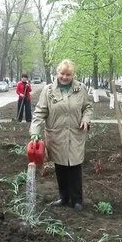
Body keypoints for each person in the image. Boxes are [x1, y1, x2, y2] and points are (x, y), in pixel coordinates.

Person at [30, 59, 93, 210]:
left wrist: (86, 119)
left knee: (75, 167)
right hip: (56, 135)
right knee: (60, 167)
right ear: (57, 73)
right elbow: (40, 113)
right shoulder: (48, 90)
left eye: (68, 74)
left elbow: (88, 107)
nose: (64, 77)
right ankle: (64, 198)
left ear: (73, 75)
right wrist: (35, 132)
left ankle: (77, 200)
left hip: (75, 134)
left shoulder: (81, 89)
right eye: (62, 73)